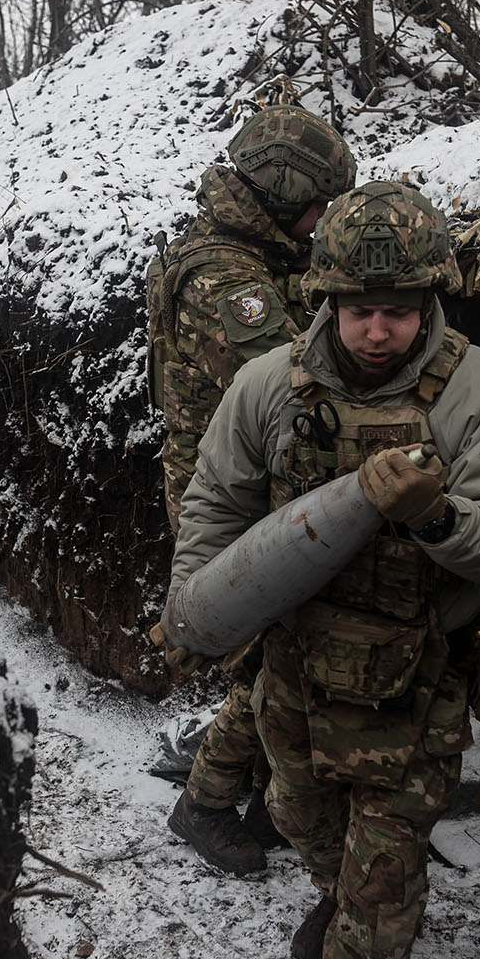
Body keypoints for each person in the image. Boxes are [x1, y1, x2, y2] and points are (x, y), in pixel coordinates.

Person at [165, 180, 480, 959]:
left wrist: (439, 518)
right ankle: (344, 891)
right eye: (359, 310)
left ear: (428, 300)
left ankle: (357, 958)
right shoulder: (268, 385)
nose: (378, 331)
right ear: (326, 300)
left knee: (381, 896)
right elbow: (217, 503)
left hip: (411, 683)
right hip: (293, 675)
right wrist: (196, 605)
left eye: (399, 310)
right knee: (298, 815)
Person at [148, 103, 357, 875]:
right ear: (276, 193)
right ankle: (201, 806)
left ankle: (268, 797)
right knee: (273, 664)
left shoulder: (239, 249)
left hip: (246, 481)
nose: (320, 219)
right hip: (233, 494)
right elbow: (289, 397)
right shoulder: (229, 280)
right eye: (315, 203)